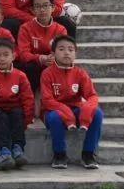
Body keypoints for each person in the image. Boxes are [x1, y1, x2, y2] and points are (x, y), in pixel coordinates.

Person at [41, 36, 103, 169]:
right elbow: (47, 100)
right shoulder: (47, 73)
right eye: (61, 49)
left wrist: (86, 112)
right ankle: (59, 154)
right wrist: (66, 112)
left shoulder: (80, 73)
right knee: (54, 117)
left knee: (97, 113)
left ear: (75, 54)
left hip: (75, 111)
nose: (66, 53)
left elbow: (92, 96)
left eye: (70, 50)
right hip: (54, 111)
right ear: (53, 54)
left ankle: (88, 154)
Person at [0, 38, 34, 171]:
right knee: (1, 117)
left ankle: (18, 150)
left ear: (13, 56)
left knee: (17, 114)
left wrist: (26, 120)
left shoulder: (20, 76)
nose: (2, 59)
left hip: (14, 109)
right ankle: (3, 153)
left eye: (6, 55)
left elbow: (28, 99)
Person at [16, 0, 69, 92]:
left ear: (53, 7)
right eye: (38, 6)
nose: (42, 10)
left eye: (45, 5)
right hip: (34, 66)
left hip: (53, 64)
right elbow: (23, 54)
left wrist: (52, 58)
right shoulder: (25, 28)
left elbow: (63, 52)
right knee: (28, 67)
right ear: (32, 10)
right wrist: (40, 58)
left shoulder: (61, 29)